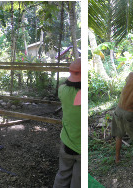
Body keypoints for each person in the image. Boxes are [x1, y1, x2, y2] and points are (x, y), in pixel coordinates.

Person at [53, 58, 81, 188]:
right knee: (77, 182)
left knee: (62, 175)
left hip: (66, 142)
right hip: (80, 149)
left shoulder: (62, 90)